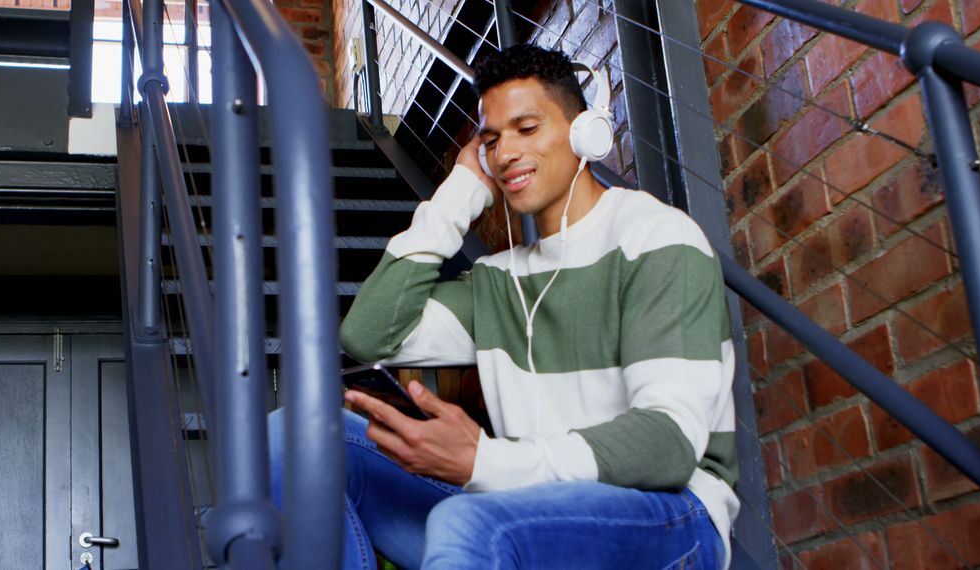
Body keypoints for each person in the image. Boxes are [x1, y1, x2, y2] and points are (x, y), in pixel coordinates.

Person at [269, 44, 739, 569]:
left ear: (585, 130)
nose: (506, 152)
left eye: (527, 128)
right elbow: (367, 334)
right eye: (491, 140)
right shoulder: (497, 282)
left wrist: (484, 460)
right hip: (523, 506)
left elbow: (667, 444)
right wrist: (460, 192)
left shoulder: (656, 238)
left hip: (673, 518)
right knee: (293, 437)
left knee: (468, 521)